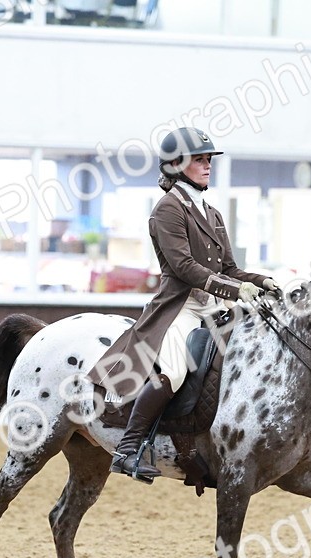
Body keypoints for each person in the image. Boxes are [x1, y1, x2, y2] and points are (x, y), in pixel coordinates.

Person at [89, 127, 277, 480]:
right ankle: (128, 449)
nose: (207, 166)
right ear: (176, 165)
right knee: (173, 372)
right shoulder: (168, 209)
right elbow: (184, 267)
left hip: (213, 307)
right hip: (180, 307)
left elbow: (230, 268)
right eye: (200, 160)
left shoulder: (213, 212)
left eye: (209, 160)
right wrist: (236, 291)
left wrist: (261, 281)